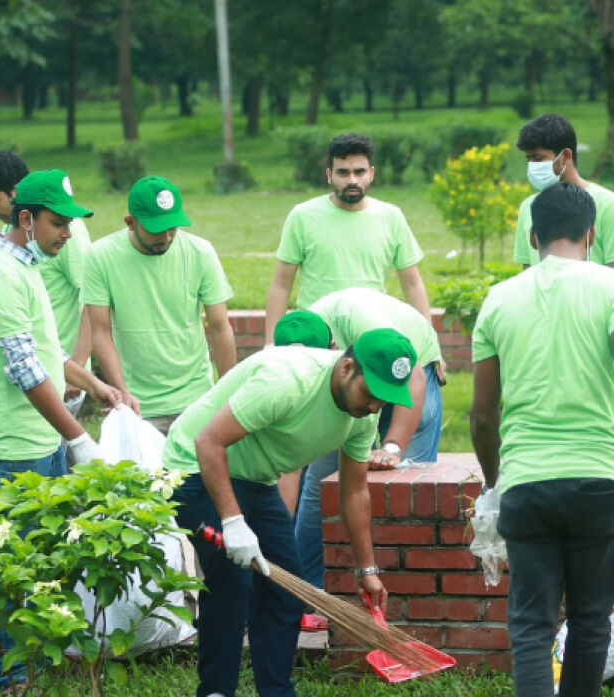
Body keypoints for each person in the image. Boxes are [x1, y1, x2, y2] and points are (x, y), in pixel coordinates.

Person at [468, 183, 614, 697]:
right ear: (591, 234)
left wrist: (494, 481)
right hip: (599, 481)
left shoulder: (499, 299)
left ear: (532, 235)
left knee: (530, 624)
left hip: (526, 482)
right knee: (591, 621)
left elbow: (482, 416)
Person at [162, 328, 416, 697]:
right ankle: (217, 690)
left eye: (385, 399)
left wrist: (367, 570)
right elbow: (208, 441)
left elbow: (355, 488)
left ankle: (276, 691)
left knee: (287, 587)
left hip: (253, 478)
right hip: (192, 467)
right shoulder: (287, 380)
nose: (376, 406)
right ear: (347, 368)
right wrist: (233, 522)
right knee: (233, 580)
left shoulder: (361, 414)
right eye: (372, 394)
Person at [0, 168, 121, 691]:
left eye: (72, 224)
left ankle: (35, 673)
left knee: (42, 567)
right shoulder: (0, 276)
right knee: (13, 576)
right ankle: (9, 681)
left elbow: (46, 353)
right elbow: (25, 371)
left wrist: (94, 385)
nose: (68, 234)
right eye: (59, 224)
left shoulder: (30, 266)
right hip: (10, 450)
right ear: (26, 219)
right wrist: (78, 437)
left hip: (41, 442)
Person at [275, 288, 443, 590]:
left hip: (412, 365)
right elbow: (289, 465)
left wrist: (393, 448)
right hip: (353, 380)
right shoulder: (300, 337)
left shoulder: (365, 324)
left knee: (408, 482)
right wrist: (274, 544)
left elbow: (414, 376)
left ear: (332, 348)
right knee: (321, 483)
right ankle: (304, 587)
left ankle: (410, 586)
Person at [83, 175, 236, 435]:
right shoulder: (100, 256)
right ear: (130, 222)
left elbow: (221, 327)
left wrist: (229, 395)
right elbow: (100, 332)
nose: (166, 236)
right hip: (138, 405)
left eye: (173, 226)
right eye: (156, 228)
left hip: (196, 399)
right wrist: (122, 392)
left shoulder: (200, 252)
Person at [0, 150, 95, 435]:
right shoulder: (17, 234)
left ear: (15, 193)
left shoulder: (62, 235)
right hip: (31, 370)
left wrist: (77, 371)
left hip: (61, 373)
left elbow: (94, 299)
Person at [265, 132, 430, 341]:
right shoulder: (302, 216)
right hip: (316, 336)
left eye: (359, 172)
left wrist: (430, 343)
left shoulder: (391, 217)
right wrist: (271, 345)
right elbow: (281, 285)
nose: (352, 180)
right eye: (343, 173)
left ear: (371, 173)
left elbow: (412, 285)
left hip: (371, 334)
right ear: (329, 175)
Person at [512, 113, 614, 269]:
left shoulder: (607, 205)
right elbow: (527, 274)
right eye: (528, 159)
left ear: (565, 155)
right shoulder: (528, 207)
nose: (532, 166)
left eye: (538, 158)